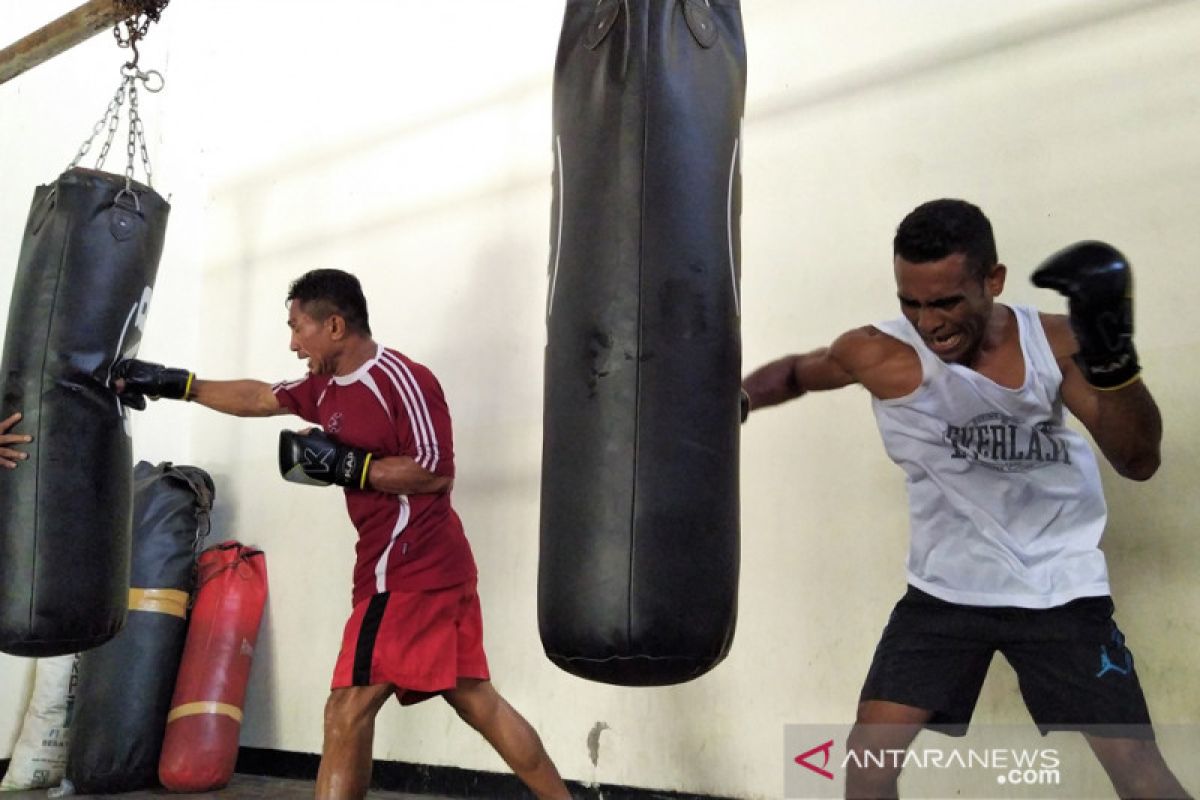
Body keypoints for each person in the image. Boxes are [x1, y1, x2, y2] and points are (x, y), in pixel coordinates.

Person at [743, 199, 1190, 800]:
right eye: (912, 302)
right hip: (945, 592)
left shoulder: (1052, 345)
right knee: (867, 762)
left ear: (993, 281)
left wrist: (1117, 368)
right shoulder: (879, 353)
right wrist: (729, 403)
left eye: (947, 301)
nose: (930, 324)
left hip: (1057, 587)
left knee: (1138, 772)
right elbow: (798, 372)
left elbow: (1138, 461)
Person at [116, 269, 570, 800]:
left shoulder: (403, 379)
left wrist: (351, 467)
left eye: (297, 328)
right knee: (476, 700)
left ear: (334, 325)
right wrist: (178, 384)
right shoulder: (324, 387)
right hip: (407, 568)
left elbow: (435, 471)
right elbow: (261, 397)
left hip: (410, 568)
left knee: (346, 708)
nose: (292, 343)